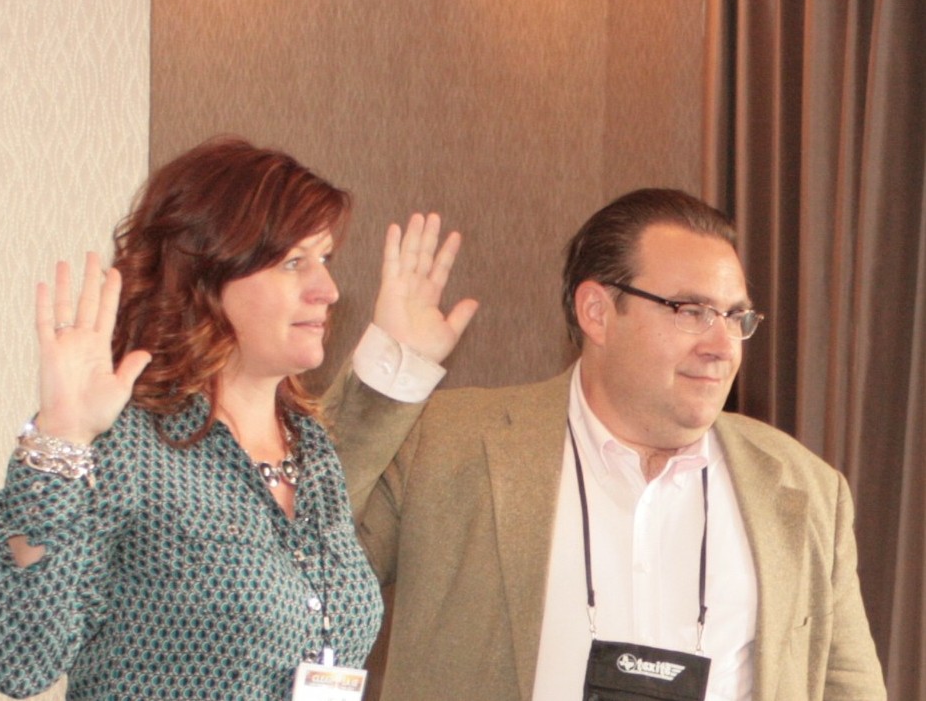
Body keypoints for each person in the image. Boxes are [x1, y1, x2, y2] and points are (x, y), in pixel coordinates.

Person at [0, 137, 477, 700]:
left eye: (325, 260)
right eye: (293, 263)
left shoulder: (310, 449)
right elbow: (17, 659)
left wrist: (399, 359)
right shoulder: (133, 442)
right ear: (206, 277)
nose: (328, 290)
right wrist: (59, 442)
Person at [329, 188, 888, 700]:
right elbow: (305, 552)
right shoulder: (448, 446)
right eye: (692, 312)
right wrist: (389, 379)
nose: (723, 345)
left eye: (735, 317)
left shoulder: (804, 489)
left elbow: (849, 687)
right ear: (596, 311)